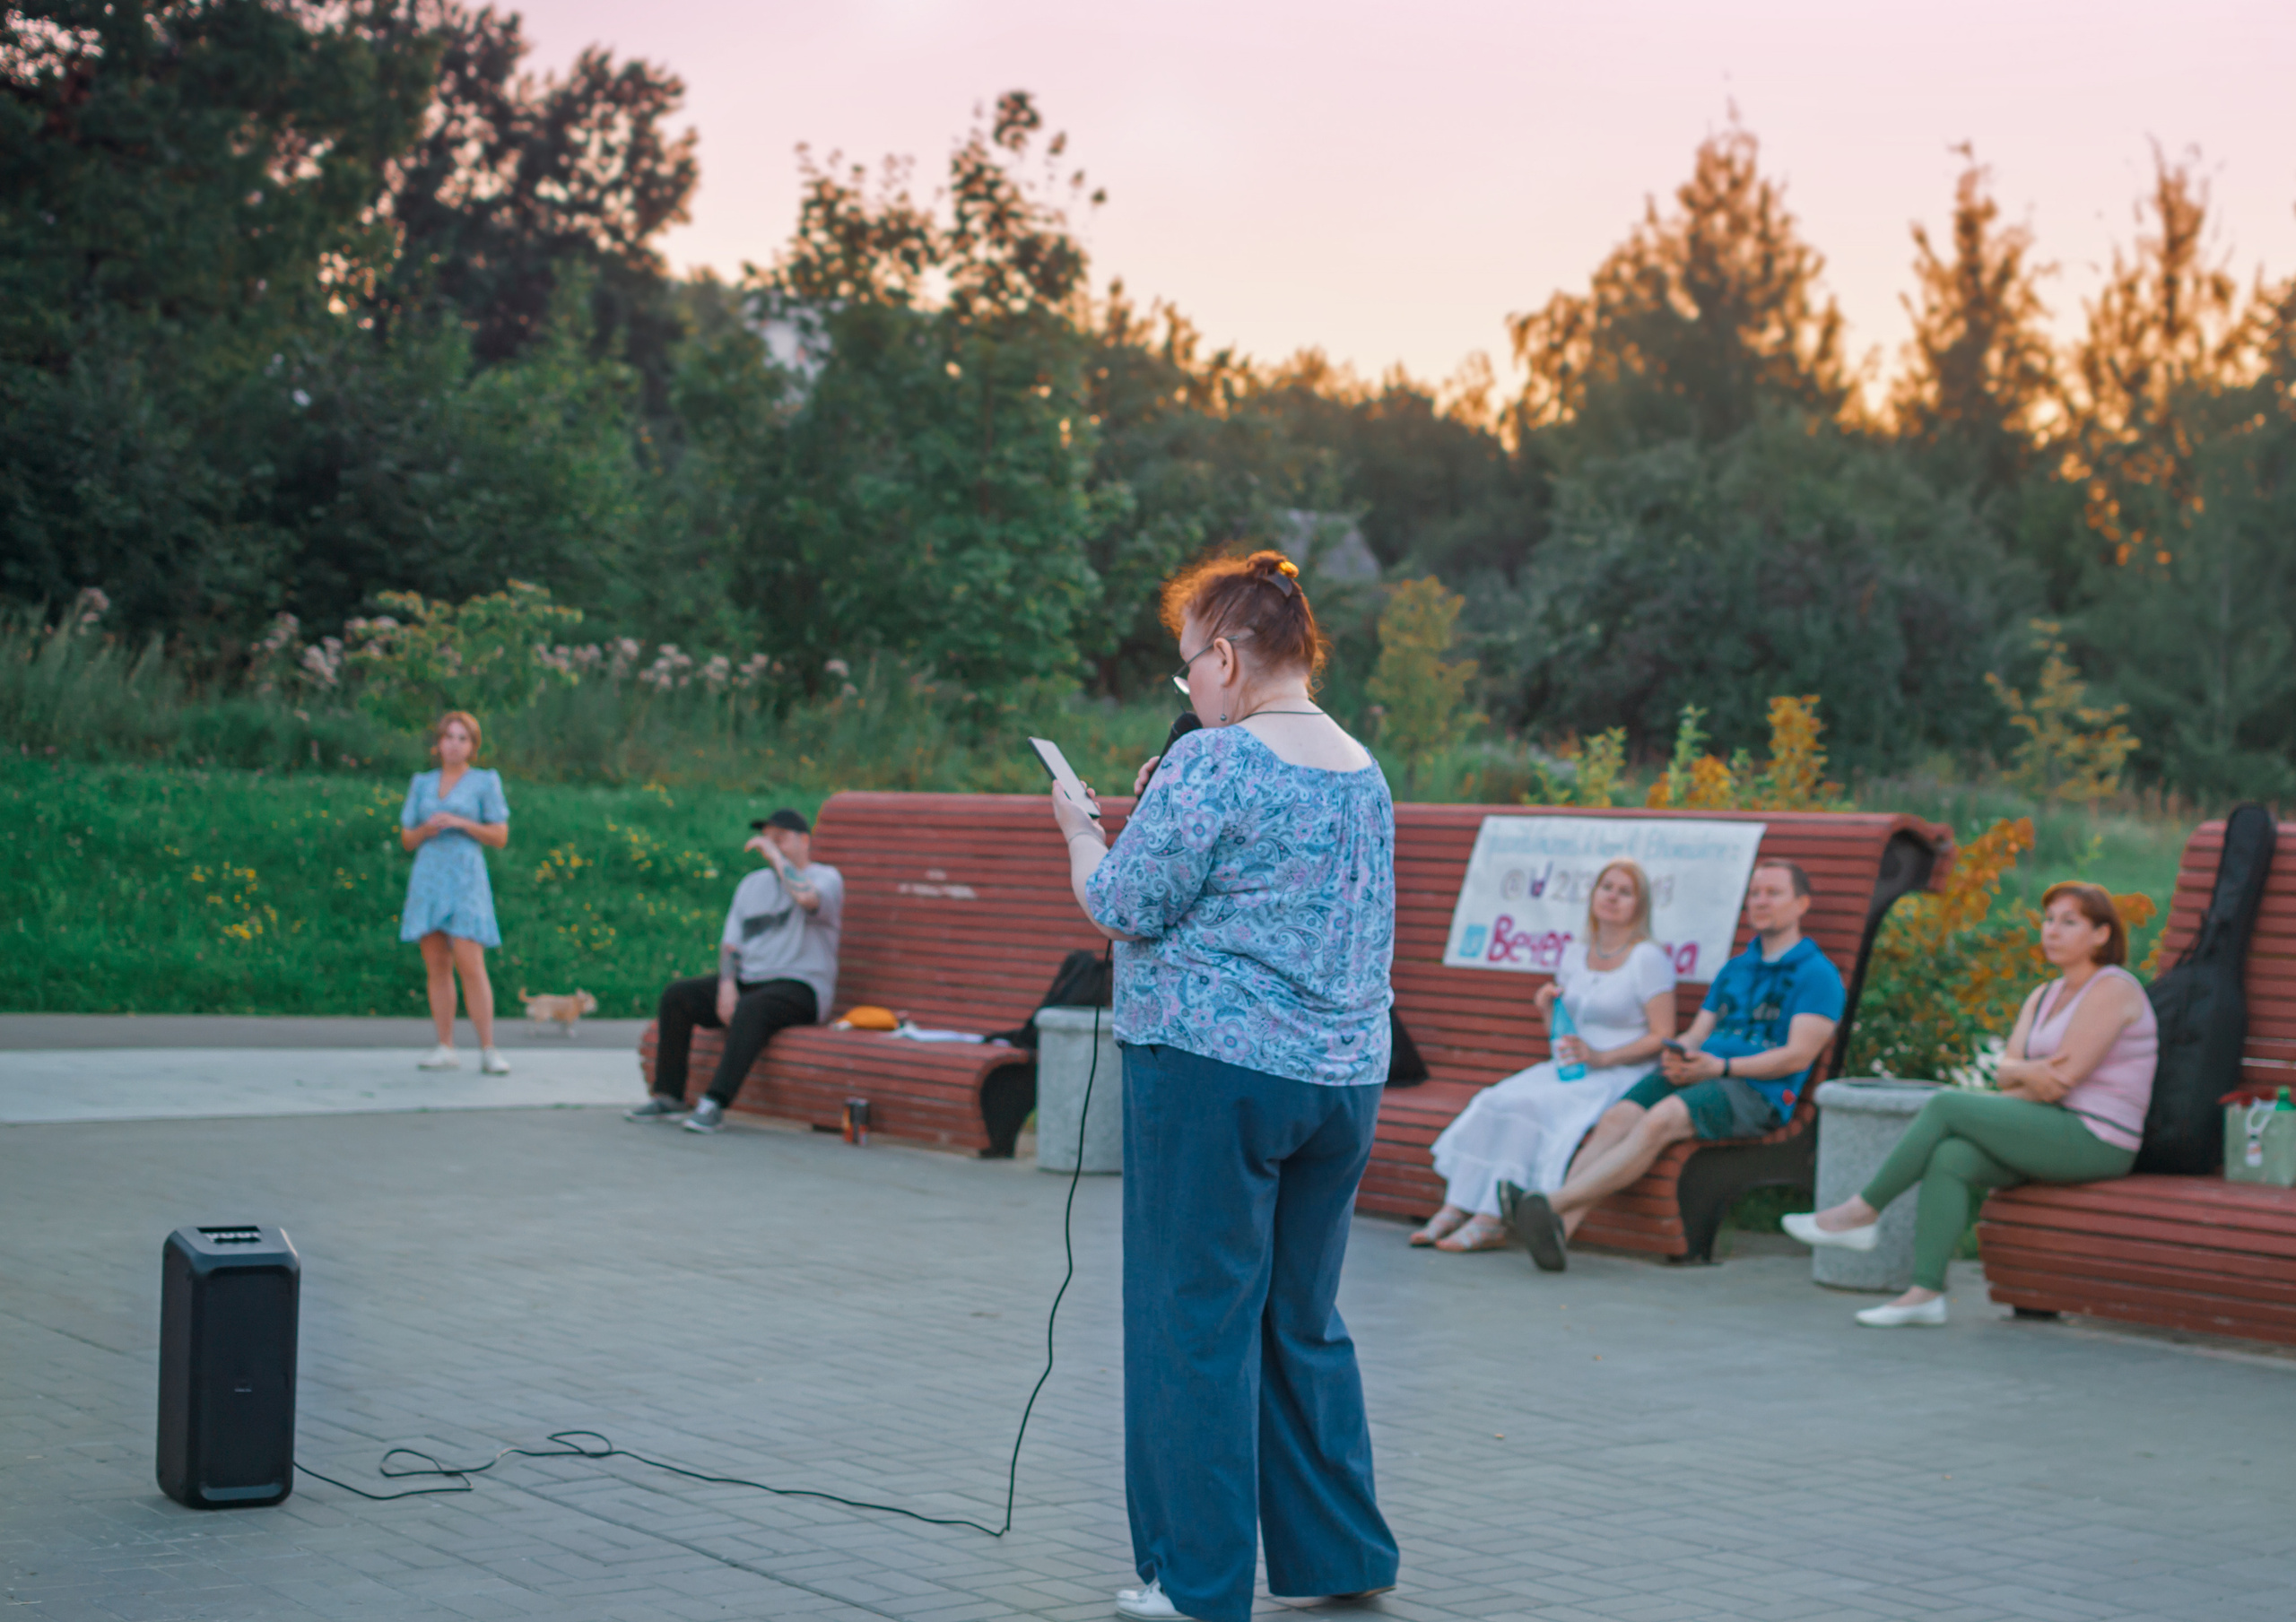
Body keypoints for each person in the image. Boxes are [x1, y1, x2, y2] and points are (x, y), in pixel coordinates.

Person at [1053, 551, 1400, 1622]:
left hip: (1213, 1078)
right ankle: (1340, 1552)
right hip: (1341, 1080)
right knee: (1300, 1319)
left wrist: (1082, 830)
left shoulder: (1215, 764)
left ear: (1226, 654)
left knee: (1191, 1323)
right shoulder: (1361, 766)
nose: (1188, 692)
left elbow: (1122, 904)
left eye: (1185, 670)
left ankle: (1195, 1583)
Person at [1785, 880, 2156, 1327]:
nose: (2052, 931)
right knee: (1951, 1156)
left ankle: (1862, 1212)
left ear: (2101, 935)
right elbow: (2007, 1072)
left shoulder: (2113, 988)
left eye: (2069, 922)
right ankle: (1925, 1293)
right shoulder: (2044, 996)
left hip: (2097, 1139)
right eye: (2049, 920)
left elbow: (2059, 1083)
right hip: (2050, 1127)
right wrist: (2025, 1072)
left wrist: (2024, 1072)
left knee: (1946, 1105)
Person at [1506, 858, 1845, 1272]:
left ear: (1801, 905)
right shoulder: (1736, 969)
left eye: (1773, 893)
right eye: (1755, 893)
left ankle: (1548, 1203)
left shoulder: (1818, 975)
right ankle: (1561, 1231)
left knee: (1658, 1120)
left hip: (1757, 1092)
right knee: (1616, 1118)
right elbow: (1696, 1034)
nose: (1760, 902)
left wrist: (1719, 1068)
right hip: (1703, 1071)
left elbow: (1797, 1056)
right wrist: (1677, 1052)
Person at [1414, 860, 1676, 1251]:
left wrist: (1603, 1057)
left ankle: (1491, 1218)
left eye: (1625, 892)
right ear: (1594, 895)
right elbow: (1563, 1033)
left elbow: (1663, 1035)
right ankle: (1457, 1205)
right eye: (1607, 887)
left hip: (1620, 1071)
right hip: (1571, 1066)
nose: (1613, 897)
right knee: (1496, 1100)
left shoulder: (1648, 959)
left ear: (1639, 906)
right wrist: (1547, 1012)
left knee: (1530, 1107)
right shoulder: (1575, 952)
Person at [625, 809, 846, 1134]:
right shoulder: (751, 886)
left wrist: (775, 856)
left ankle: (715, 1102)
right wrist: (727, 985)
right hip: (750, 981)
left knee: (753, 1008)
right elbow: (731, 945)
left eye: (780, 838)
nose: (771, 846)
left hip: (801, 986)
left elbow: (805, 897)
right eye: (768, 839)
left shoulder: (826, 878)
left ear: (804, 841)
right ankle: (670, 1096)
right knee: (679, 996)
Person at [398, 710, 511, 1074]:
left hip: (465, 877)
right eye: (449, 736)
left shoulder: (484, 782)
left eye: (463, 738)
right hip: (429, 875)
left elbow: (500, 835)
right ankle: (445, 1045)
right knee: (436, 963)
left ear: (472, 746)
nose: (454, 744)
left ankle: (488, 1048)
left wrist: (462, 822)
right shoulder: (422, 783)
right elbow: (407, 838)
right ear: (438, 742)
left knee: (470, 962)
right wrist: (426, 830)